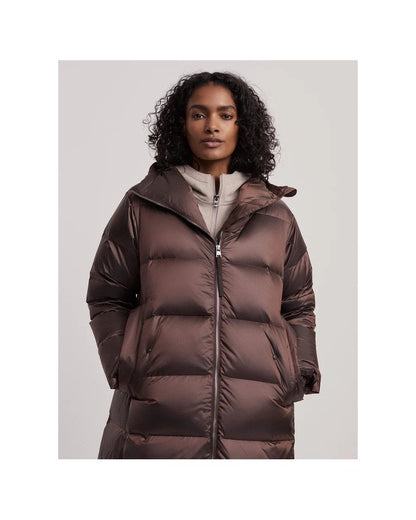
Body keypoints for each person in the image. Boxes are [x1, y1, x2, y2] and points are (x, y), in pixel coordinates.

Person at [86, 71, 321, 459]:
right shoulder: (143, 205)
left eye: (225, 115)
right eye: (199, 114)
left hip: (258, 413)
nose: (212, 126)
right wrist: (125, 364)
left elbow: (298, 305)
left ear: (243, 125)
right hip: (155, 411)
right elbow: (106, 295)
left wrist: (299, 370)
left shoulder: (276, 216)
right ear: (181, 124)